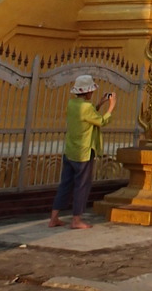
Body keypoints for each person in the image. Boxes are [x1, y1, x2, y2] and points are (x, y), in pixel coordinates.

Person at [49, 75, 116, 230]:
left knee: (65, 184)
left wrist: (100, 103)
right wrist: (111, 106)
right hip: (84, 152)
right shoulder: (87, 107)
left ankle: (53, 218)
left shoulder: (72, 104)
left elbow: (87, 116)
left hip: (70, 150)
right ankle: (76, 220)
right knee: (81, 186)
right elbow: (101, 121)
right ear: (88, 92)